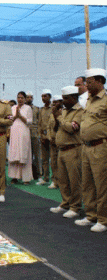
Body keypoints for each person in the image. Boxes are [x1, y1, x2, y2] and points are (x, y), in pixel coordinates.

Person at [75, 68, 107, 233]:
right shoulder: (88, 100)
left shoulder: (105, 100)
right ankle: (91, 215)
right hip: (86, 146)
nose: (86, 85)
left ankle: (103, 219)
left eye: (89, 81)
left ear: (100, 81)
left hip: (100, 146)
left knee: (101, 184)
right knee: (87, 183)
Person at [50, 86, 83, 219]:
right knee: (62, 179)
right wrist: (56, 117)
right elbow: (58, 128)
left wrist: (59, 118)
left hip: (73, 149)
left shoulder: (79, 111)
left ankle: (75, 207)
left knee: (74, 180)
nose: (63, 101)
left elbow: (71, 128)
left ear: (74, 98)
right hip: (61, 150)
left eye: (65, 98)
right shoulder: (63, 112)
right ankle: (65, 203)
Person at [8, 91, 33, 185]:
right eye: (18, 97)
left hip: (24, 133)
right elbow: (10, 120)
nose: (20, 99)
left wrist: (20, 116)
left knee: (24, 153)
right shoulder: (13, 108)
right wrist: (16, 115)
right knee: (15, 153)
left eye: (22, 98)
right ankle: (14, 177)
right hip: (14, 132)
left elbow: (30, 122)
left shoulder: (28, 108)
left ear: (25, 99)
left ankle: (26, 178)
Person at [36, 89, 52, 185]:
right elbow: (39, 124)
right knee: (44, 160)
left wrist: (48, 137)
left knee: (53, 160)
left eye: (45, 96)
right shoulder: (41, 110)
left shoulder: (54, 108)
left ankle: (55, 180)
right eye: (42, 96)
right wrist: (41, 136)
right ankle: (46, 178)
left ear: (50, 97)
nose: (43, 98)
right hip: (43, 137)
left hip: (51, 137)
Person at [47, 95, 63, 190]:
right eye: (53, 103)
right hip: (52, 142)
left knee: (61, 163)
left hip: (61, 142)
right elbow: (48, 128)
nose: (54, 104)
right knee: (53, 163)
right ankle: (54, 181)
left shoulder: (64, 113)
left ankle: (62, 182)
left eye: (56, 102)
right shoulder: (51, 114)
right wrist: (49, 138)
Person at [25, 92, 41, 180]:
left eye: (31, 97)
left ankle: (39, 174)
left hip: (35, 134)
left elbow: (39, 121)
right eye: (27, 97)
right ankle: (27, 174)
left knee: (37, 155)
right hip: (25, 133)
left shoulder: (37, 109)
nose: (29, 99)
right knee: (27, 155)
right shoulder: (22, 109)